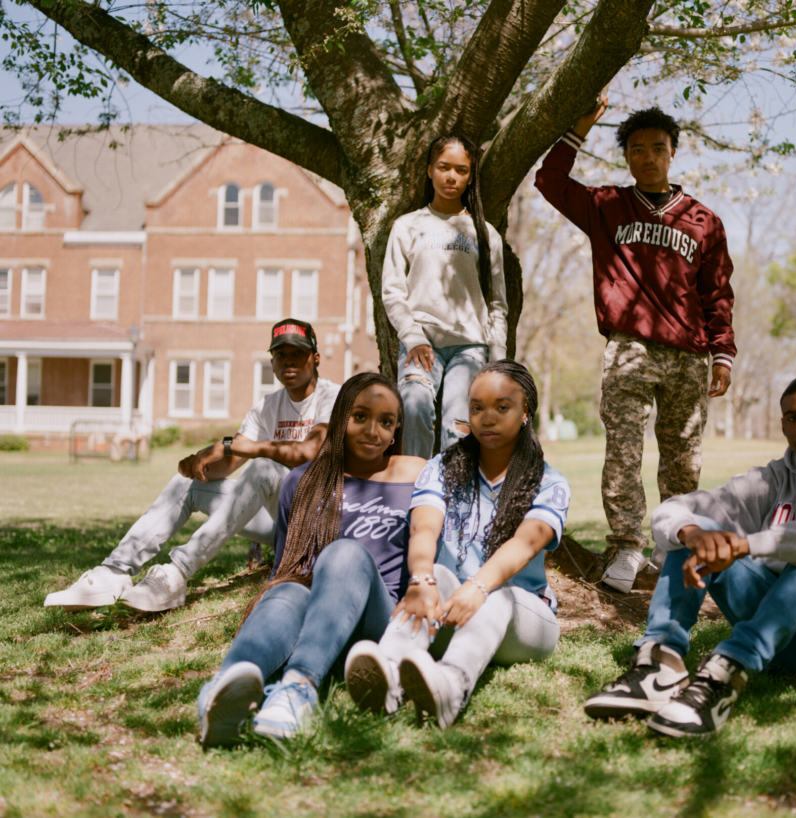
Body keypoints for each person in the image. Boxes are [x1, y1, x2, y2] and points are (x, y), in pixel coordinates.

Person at [584, 373, 796, 738]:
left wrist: (749, 544)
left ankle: (727, 673)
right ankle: (660, 664)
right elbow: (675, 509)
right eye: (793, 417)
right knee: (698, 529)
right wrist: (695, 533)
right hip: (785, 641)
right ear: (783, 425)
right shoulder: (774, 479)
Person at [535, 102, 736, 594]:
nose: (648, 158)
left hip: (688, 355)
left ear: (673, 154)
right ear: (625, 155)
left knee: (683, 458)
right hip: (628, 349)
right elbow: (550, 181)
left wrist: (723, 352)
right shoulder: (606, 206)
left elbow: (717, 291)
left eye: (658, 149)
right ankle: (626, 546)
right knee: (623, 451)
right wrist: (577, 127)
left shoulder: (702, 220)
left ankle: (673, 544)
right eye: (637, 149)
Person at [44, 319, 339, 613]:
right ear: (272, 361)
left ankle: (177, 573)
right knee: (188, 483)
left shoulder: (332, 396)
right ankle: (114, 572)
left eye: (297, 353)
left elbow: (310, 450)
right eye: (280, 354)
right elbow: (229, 462)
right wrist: (200, 467)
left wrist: (231, 445)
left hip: (318, 522)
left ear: (315, 358)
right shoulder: (267, 407)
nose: (288, 361)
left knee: (263, 467)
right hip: (278, 521)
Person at [197, 373, 425, 747]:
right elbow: (286, 565)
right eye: (360, 416)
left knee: (345, 553)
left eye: (386, 422)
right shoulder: (303, 480)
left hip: (379, 629)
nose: (373, 431)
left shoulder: (416, 474)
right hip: (318, 622)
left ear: (397, 427)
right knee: (288, 587)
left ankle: (298, 689)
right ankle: (225, 689)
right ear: (339, 419)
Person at [342, 361, 570, 729]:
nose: (487, 418)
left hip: (523, 621)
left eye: (502, 407)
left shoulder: (549, 482)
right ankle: (387, 672)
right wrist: (420, 580)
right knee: (437, 575)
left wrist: (478, 586)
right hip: (454, 613)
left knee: (499, 595)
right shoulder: (442, 468)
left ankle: (451, 685)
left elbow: (526, 542)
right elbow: (424, 529)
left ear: (526, 411)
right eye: (477, 408)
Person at [381, 134, 509, 459]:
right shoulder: (407, 226)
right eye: (444, 167)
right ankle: (414, 498)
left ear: (470, 176)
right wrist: (412, 338)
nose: (452, 177)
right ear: (429, 170)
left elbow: (497, 303)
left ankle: (451, 504)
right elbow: (392, 291)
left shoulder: (484, 233)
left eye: (461, 170)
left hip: (469, 346)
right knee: (413, 406)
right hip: (420, 342)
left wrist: (498, 359)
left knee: (458, 425)